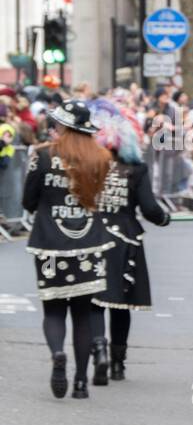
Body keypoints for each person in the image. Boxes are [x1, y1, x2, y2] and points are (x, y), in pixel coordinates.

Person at [23, 99, 113, 399]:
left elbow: (28, 201)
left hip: (50, 243)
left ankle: (58, 354)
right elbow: (98, 196)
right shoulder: (101, 157)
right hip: (89, 243)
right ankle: (80, 382)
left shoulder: (42, 156)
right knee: (84, 315)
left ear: (64, 127)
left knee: (54, 311)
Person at [88, 99, 170, 383]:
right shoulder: (136, 170)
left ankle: (98, 349)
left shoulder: (93, 166)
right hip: (125, 239)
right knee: (120, 303)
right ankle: (118, 364)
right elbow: (149, 208)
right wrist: (163, 219)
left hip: (93, 235)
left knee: (95, 300)